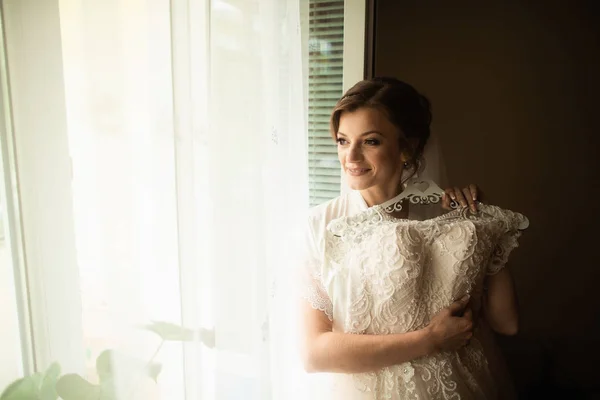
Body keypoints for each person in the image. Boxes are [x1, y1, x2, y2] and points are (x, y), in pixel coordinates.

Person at [298, 77, 521, 399]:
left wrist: (484, 229)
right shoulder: (320, 226)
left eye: (370, 141)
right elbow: (313, 354)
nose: (352, 157)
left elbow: (507, 322)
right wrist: (429, 340)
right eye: (343, 141)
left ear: (408, 147)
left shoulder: (446, 217)